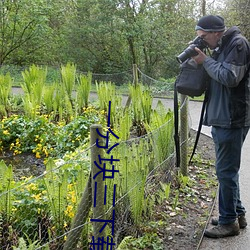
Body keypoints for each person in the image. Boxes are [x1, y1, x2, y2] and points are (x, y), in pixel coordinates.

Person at [192, 15, 250, 238]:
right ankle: (237, 214)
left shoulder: (238, 44)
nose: (203, 41)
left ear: (216, 32)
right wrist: (202, 60)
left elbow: (229, 77)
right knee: (227, 171)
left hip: (232, 118)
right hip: (222, 117)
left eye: (204, 37)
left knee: (225, 171)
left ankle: (228, 223)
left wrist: (205, 61)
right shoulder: (221, 46)